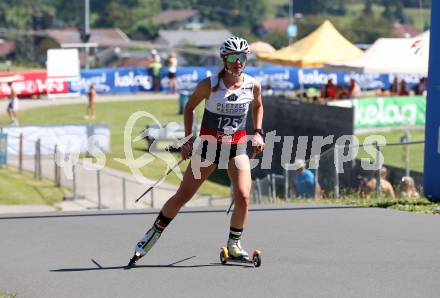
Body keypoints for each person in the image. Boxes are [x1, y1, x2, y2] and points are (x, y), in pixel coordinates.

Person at [128, 36, 265, 266]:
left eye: (242, 57)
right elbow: (190, 107)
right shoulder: (210, 84)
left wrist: (259, 131)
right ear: (224, 59)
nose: (238, 62)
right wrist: (187, 138)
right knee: (183, 196)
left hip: (237, 147)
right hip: (209, 147)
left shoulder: (252, 85)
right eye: (232, 57)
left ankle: (234, 245)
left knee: (243, 196)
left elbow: (258, 105)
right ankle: (151, 235)